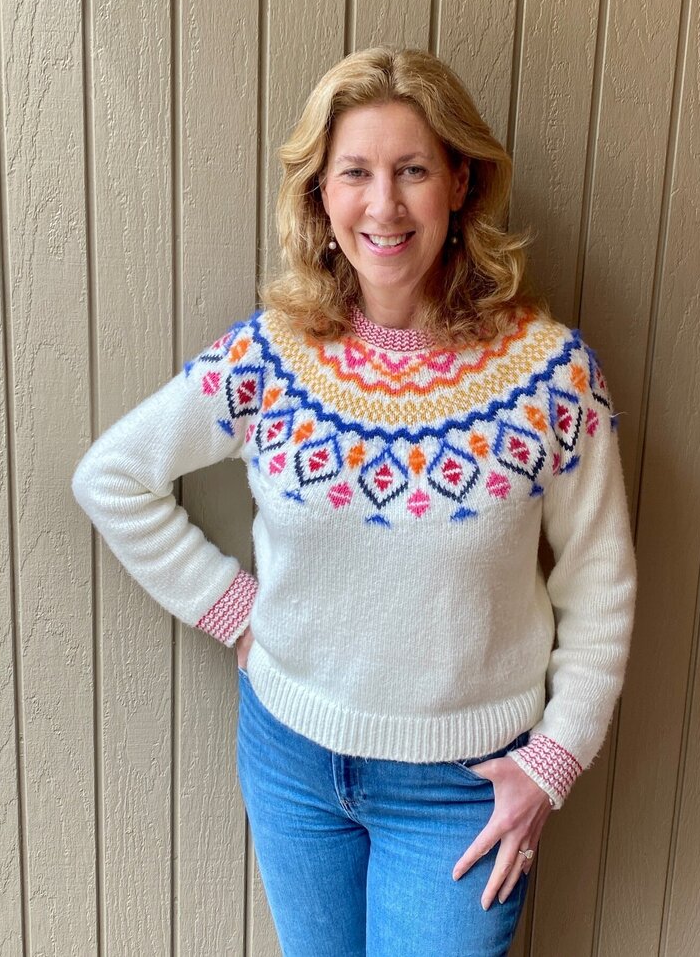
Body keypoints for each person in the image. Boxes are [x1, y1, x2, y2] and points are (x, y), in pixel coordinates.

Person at [72, 46, 637, 956]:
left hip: (462, 788)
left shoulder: (551, 375)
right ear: (321, 198)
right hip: (291, 759)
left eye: (412, 169)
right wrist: (239, 616)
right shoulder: (273, 356)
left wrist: (553, 762)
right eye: (356, 173)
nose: (384, 204)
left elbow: (599, 585)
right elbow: (111, 476)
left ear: (460, 181)